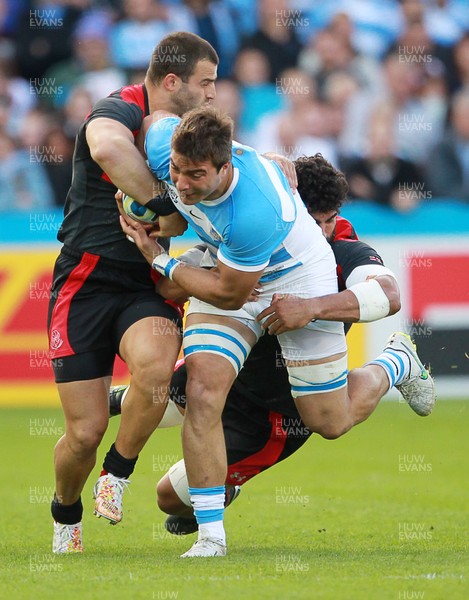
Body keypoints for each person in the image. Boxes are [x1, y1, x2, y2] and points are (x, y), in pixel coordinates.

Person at [121, 110, 435, 558]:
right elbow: (155, 122)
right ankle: (212, 538)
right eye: (177, 171)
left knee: (330, 421)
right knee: (201, 393)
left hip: (276, 409)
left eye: (326, 220)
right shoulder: (188, 164)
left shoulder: (335, 250)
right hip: (242, 318)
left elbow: (389, 294)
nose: (182, 182)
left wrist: (310, 308)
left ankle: (397, 361)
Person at [47, 32, 219, 554]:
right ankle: (65, 512)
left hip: (148, 280)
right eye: (205, 84)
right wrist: (161, 205)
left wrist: (281, 161)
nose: (213, 95)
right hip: (85, 281)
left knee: (154, 370)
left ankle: (117, 474)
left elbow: (236, 164)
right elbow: (105, 147)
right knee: (83, 433)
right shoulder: (119, 107)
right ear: (172, 82)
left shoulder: (192, 131)